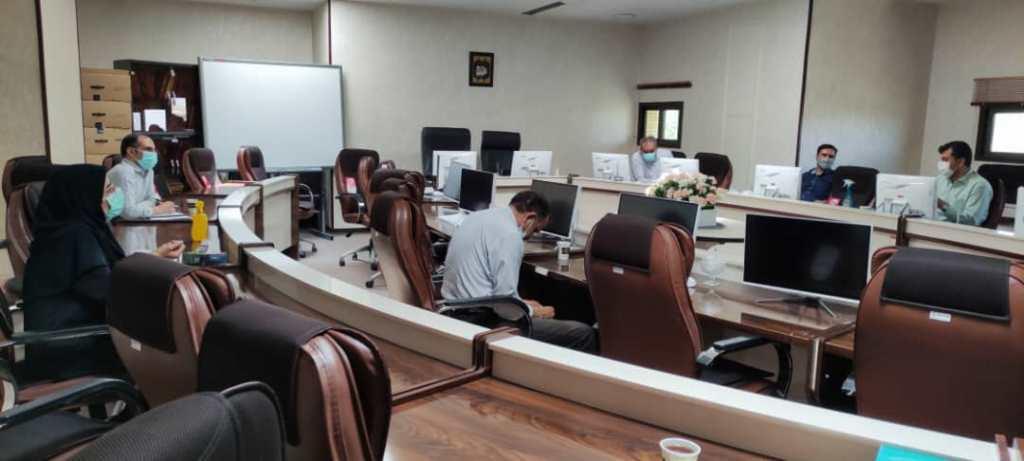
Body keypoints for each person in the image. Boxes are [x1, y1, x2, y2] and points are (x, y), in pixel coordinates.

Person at [22, 164, 185, 381]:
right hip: (69, 350)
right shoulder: (74, 237)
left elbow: (108, 274)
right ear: (85, 196)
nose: (114, 196)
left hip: (76, 334)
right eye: (108, 190)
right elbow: (111, 293)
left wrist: (154, 256)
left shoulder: (69, 230)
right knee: (170, 343)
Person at [441, 191, 597, 352]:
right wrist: (534, 311)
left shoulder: (478, 217)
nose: (531, 236)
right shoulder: (510, 235)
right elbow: (506, 309)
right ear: (530, 218)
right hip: (479, 320)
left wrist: (521, 303)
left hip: (453, 308)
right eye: (535, 230)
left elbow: (489, 285)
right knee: (584, 333)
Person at [107, 134, 176, 219]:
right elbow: (128, 212)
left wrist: (144, 205)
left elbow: (153, 198)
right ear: (131, 152)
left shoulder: (149, 171)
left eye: (154, 150)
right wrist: (157, 210)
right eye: (149, 149)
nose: (154, 154)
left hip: (136, 221)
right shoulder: (123, 171)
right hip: (116, 223)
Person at [935, 141, 993, 226]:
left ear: (960, 162)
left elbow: (971, 221)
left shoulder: (980, 186)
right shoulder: (940, 179)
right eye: (941, 160)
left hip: (954, 231)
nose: (941, 164)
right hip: (930, 226)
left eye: (945, 160)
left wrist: (943, 206)